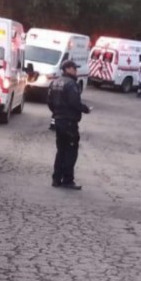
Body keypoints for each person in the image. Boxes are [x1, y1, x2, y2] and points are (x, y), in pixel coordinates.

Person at [47, 59, 90, 190]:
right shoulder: (71, 84)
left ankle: (56, 179)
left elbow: (49, 102)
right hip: (69, 122)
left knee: (61, 150)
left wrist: (56, 113)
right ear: (68, 69)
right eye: (74, 68)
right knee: (70, 151)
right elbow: (74, 103)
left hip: (59, 120)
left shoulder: (54, 83)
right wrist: (85, 109)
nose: (76, 71)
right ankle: (67, 180)